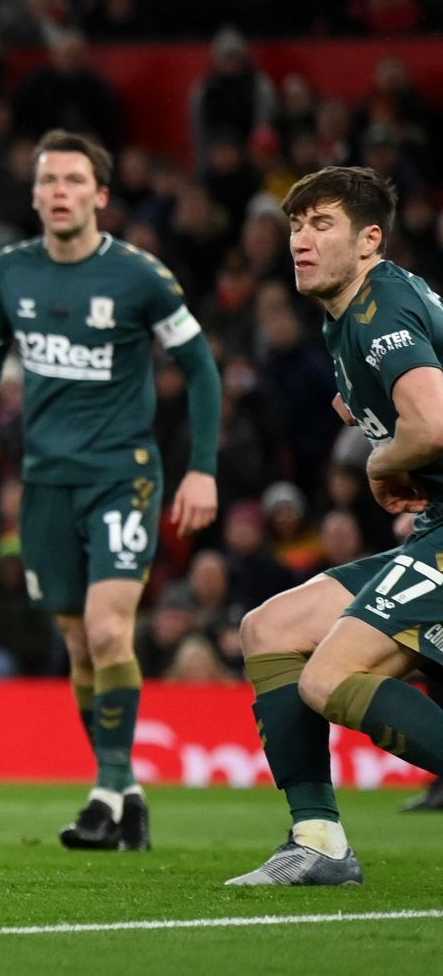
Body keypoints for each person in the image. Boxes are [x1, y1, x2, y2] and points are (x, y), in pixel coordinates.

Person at [0, 131, 222, 852]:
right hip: (45, 483)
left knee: (112, 629)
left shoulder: (141, 277)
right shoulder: (13, 273)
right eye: (48, 180)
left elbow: (202, 369)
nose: (59, 192)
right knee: (82, 646)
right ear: (34, 196)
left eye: (74, 181)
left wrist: (202, 467)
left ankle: (103, 795)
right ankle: (126, 795)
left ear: (100, 196)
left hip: (123, 474)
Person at [227, 166, 443, 885]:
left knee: (332, 675)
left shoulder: (379, 307)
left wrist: (382, 461)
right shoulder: (351, 316)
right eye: (295, 226)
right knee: (271, 629)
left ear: (370, 239)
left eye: (322, 225)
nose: (300, 241)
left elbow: (433, 426)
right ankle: (317, 842)